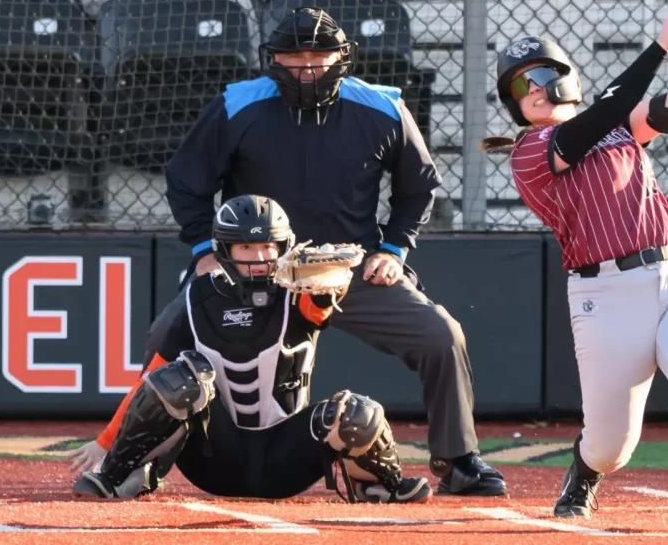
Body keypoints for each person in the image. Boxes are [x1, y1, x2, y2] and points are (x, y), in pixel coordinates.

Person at [161, 6, 506, 498]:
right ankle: (132, 455)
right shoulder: (237, 105)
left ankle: (459, 460)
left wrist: (393, 250)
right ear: (271, 57)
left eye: (319, 55)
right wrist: (203, 250)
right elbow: (186, 179)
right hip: (257, 269)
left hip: (347, 269)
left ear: (342, 58)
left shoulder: (383, 107)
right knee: (164, 333)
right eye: (293, 55)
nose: (306, 67)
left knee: (440, 334)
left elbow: (420, 186)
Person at [481, 14, 668, 530]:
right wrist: (660, 46)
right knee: (610, 446)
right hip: (605, 295)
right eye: (519, 83)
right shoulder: (530, 151)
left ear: (565, 79)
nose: (531, 88)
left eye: (540, 75)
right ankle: (583, 473)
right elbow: (607, 111)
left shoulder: (617, 125)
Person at [68, 193, 430, 504]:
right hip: (214, 461)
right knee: (176, 380)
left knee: (357, 413)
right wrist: (105, 441)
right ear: (225, 250)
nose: (259, 257)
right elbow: (150, 377)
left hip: (286, 463)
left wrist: (325, 287)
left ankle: (383, 486)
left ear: (283, 248)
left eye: (267, 246)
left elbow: (318, 309)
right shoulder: (198, 297)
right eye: (246, 247)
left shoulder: (300, 291)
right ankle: (119, 474)